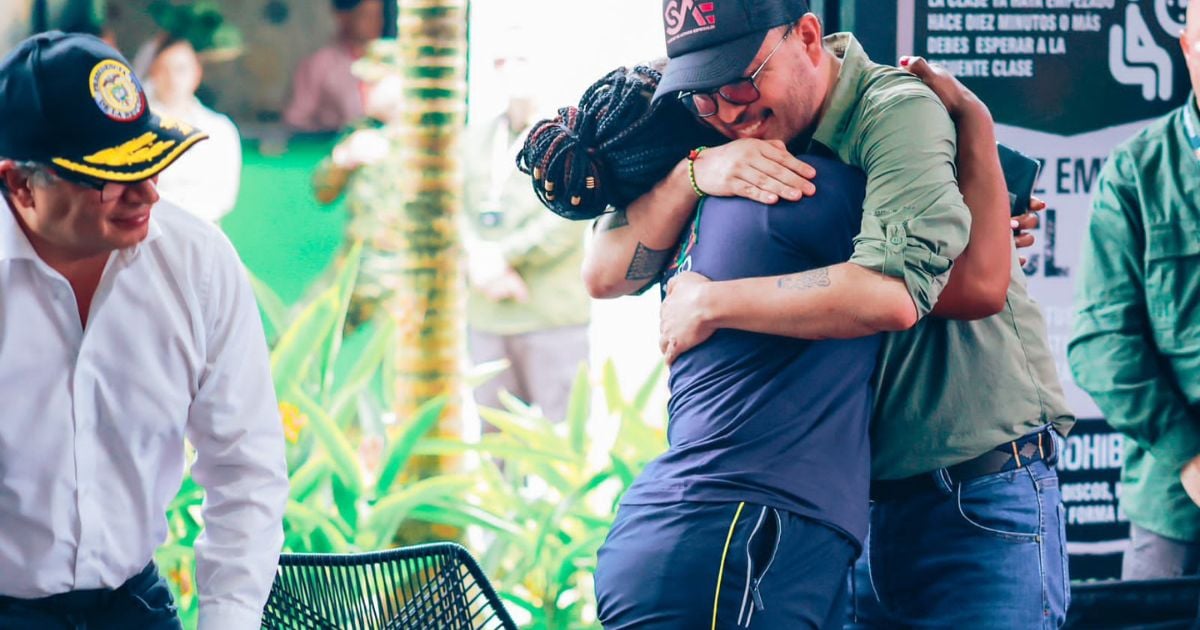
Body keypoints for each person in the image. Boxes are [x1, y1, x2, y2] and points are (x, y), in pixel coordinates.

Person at [580, 1, 1073, 627]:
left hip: (970, 492)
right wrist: (695, 173)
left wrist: (715, 303)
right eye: (703, 94)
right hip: (847, 510)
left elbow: (955, 287)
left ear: (808, 37)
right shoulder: (715, 121)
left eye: (739, 79)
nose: (726, 110)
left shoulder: (892, 108)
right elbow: (604, 273)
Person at [523, 62, 875, 628]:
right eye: (707, 99)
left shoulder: (681, 221)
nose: (729, 104)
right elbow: (921, 273)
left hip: (699, 533)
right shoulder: (791, 189)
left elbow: (602, 272)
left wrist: (692, 173)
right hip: (738, 532)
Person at [0, 32, 289, 630]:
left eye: (149, 160)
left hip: (133, 605)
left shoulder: (196, 263)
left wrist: (229, 619)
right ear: (20, 185)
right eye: (106, 176)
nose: (148, 193)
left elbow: (245, 464)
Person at [1068, 0, 1200, 583]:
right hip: (1178, 505)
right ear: (1188, 48)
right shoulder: (1137, 173)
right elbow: (1100, 345)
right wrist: (1190, 456)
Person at [464, 50, 591, 422]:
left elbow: (570, 215)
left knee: (562, 438)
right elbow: (450, 205)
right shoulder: (474, 139)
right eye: (502, 60)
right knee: (496, 442)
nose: (511, 69)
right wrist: (478, 258)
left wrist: (502, 256)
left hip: (549, 316)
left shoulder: (569, 136)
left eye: (522, 57)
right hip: (487, 315)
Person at [142, 36, 243, 223]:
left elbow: (224, 197)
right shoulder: (133, 128)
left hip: (203, 233)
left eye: (180, 69)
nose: (172, 79)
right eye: (164, 69)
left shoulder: (220, 129)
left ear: (197, 72)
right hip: (147, 234)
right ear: (153, 73)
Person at [283, 0, 384, 133]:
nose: (374, 22)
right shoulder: (320, 63)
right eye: (365, 15)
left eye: (378, 15)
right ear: (344, 17)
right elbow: (295, 119)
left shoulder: (391, 62)